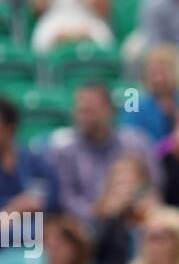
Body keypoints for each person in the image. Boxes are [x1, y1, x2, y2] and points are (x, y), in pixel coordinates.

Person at [54, 84, 161, 225]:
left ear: (110, 111)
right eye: (81, 111)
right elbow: (67, 200)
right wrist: (101, 212)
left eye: (91, 111)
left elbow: (154, 185)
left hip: (136, 218)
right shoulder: (66, 154)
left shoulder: (136, 143)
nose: (85, 118)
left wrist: (134, 200)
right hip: (89, 228)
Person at [0, 97, 59, 214]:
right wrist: (13, 207)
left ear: (10, 128)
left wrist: (38, 201)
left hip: (30, 223)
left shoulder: (33, 161)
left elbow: (49, 193)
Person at [122, 45, 179, 143]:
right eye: (153, 74)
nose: (159, 79)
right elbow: (129, 135)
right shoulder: (133, 101)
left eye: (163, 73)